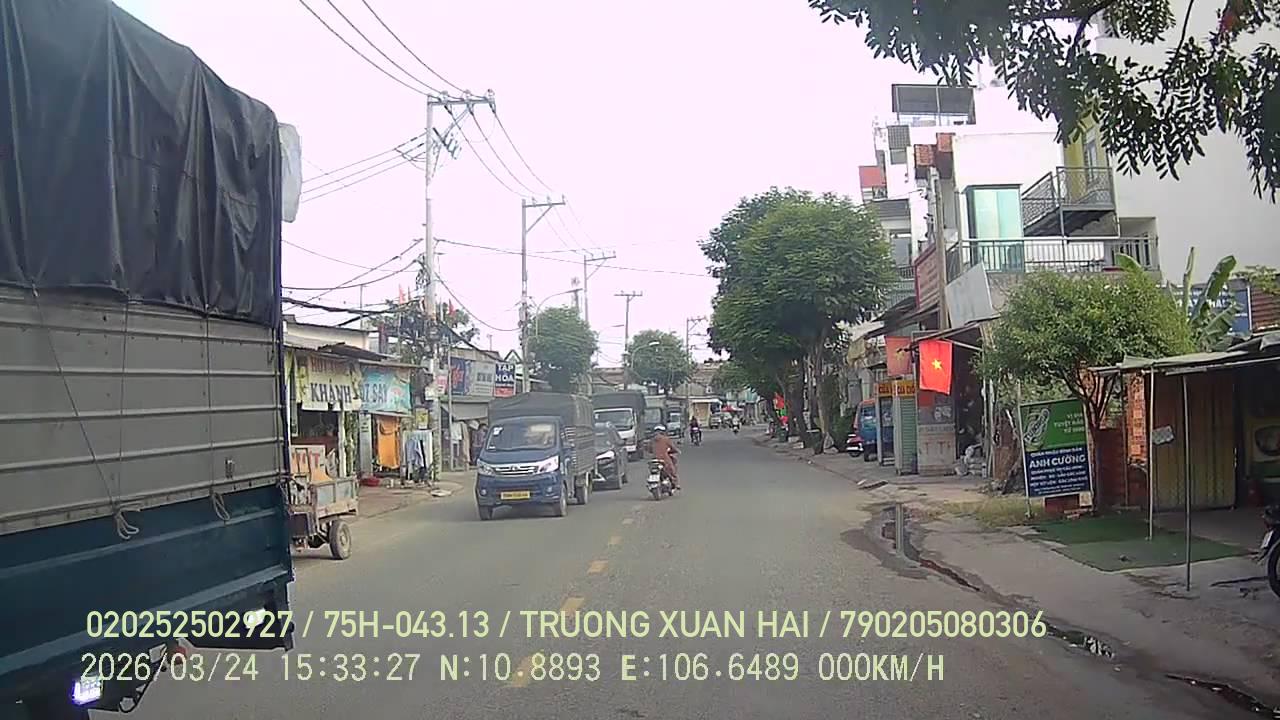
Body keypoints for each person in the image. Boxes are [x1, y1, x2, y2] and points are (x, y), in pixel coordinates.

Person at [651, 425, 681, 489]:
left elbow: (648, 448)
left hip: (654, 459)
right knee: (672, 470)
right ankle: (675, 483)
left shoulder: (652, 440)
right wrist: (677, 451)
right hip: (664, 459)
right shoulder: (666, 439)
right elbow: (673, 447)